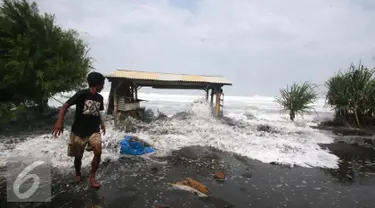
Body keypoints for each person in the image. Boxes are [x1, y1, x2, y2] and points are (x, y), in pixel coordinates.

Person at [52, 72, 106, 188]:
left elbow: (96, 113)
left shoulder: (100, 98)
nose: (103, 87)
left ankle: (92, 177)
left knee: (98, 151)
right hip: (79, 131)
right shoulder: (82, 94)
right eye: (103, 84)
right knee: (78, 157)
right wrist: (59, 121)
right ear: (97, 84)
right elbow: (64, 106)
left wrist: (101, 123)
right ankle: (78, 173)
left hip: (93, 130)